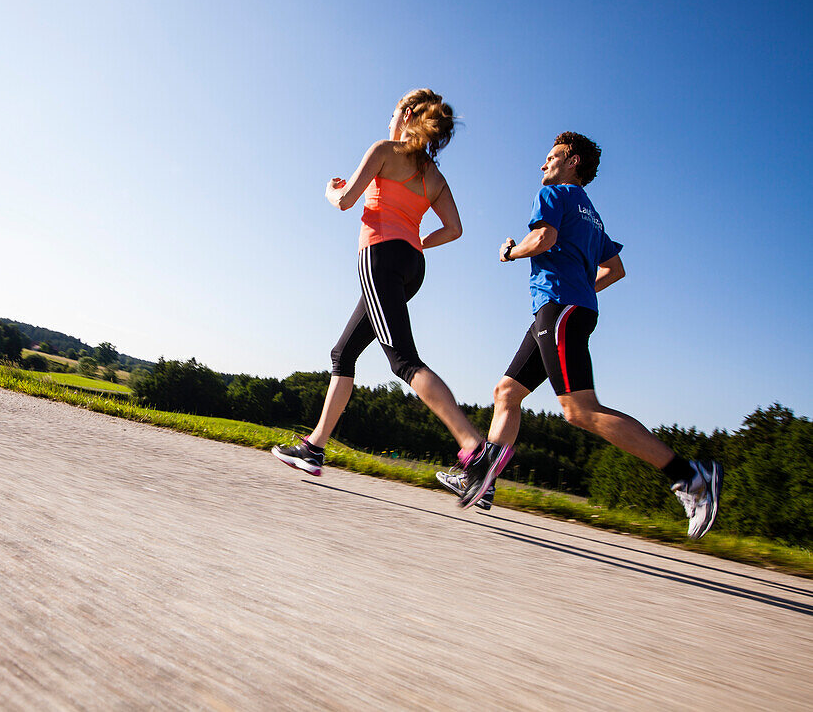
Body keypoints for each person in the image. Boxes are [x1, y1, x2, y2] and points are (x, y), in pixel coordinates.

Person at [439, 132, 722, 538]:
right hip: (567, 309)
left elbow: (543, 239)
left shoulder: (554, 194)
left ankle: (691, 476)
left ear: (571, 161)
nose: (543, 165)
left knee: (580, 411)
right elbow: (615, 269)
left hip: (558, 310)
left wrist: (511, 252)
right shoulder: (591, 213)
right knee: (507, 392)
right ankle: (482, 482)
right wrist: (582, 290)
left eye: (551, 157)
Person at [271, 89, 496, 491]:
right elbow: (455, 229)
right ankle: (314, 447)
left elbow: (344, 201)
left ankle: (474, 448)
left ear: (406, 115)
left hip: (380, 258)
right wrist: (416, 241)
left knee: (404, 361)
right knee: (344, 353)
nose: (389, 121)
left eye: (393, 113)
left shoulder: (384, 150)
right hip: (411, 265)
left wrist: (330, 190)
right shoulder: (435, 176)